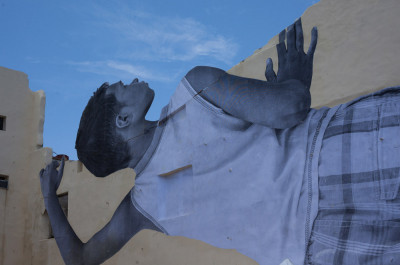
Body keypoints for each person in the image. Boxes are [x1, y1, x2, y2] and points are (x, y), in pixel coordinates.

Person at [40, 18, 400, 265]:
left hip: (326, 246)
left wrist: (48, 196)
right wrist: (294, 80)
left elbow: (80, 259)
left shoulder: (143, 208)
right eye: (123, 86)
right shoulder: (195, 91)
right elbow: (291, 109)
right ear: (123, 119)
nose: (133, 79)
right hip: (340, 160)